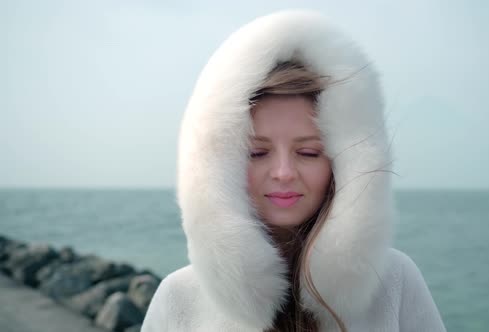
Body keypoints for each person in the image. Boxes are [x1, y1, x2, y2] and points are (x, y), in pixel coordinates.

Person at [142, 10, 446, 332]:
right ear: (218, 164)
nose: (283, 172)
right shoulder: (179, 297)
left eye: (308, 152)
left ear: (342, 162)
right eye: (257, 152)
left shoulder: (395, 280)